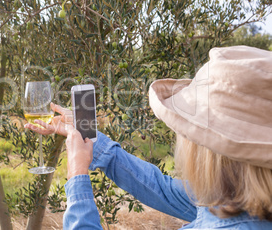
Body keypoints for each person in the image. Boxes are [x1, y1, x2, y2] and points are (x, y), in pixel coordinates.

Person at [24, 46, 272, 229]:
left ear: (210, 149)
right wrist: (88, 136)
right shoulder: (232, 199)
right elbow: (160, 188)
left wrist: (77, 172)